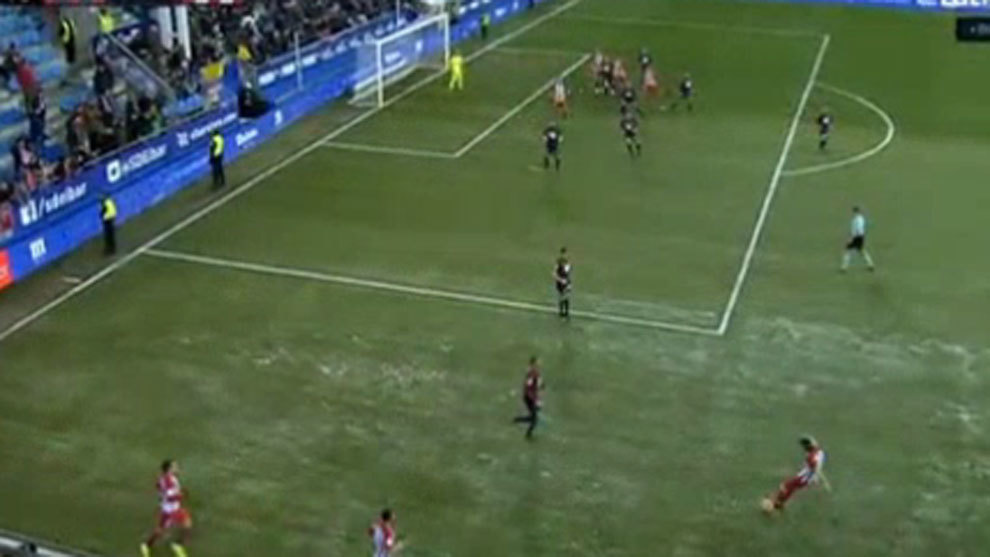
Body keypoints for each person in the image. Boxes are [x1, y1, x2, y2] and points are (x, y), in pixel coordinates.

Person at [141, 460, 192, 557]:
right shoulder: (169, 481)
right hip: (170, 510)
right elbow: (170, 497)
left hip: (176, 508)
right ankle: (146, 545)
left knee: (187, 524)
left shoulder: (167, 478)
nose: (177, 468)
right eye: (174, 466)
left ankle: (178, 544)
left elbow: (158, 486)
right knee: (160, 530)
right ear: (169, 469)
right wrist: (182, 495)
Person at [765, 436, 827, 512]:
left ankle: (773, 503)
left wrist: (814, 468)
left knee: (785, 485)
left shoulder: (810, 456)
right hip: (808, 477)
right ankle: (781, 503)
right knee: (792, 488)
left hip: (804, 477)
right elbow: (821, 459)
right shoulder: (820, 452)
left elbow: (813, 465)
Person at [512, 356, 544, 439]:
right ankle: (528, 435)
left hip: (532, 397)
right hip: (529, 397)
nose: (539, 364)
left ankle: (516, 420)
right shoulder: (532, 373)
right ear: (533, 364)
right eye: (538, 362)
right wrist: (534, 399)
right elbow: (528, 385)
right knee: (534, 419)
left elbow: (538, 385)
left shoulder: (535, 373)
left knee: (533, 418)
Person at [841, 206, 874, 272]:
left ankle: (844, 267)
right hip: (860, 237)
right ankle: (870, 265)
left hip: (857, 237)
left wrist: (851, 238)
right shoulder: (859, 218)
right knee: (862, 251)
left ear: (856, 212)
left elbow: (858, 229)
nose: (853, 213)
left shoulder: (858, 219)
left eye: (854, 212)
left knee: (848, 251)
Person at [553, 247, 571, 318]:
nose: (565, 255)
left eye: (566, 254)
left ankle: (566, 313)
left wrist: (568, 282)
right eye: (563, 254)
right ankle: (561, 312)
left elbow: (567, 273)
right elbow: (554, 274)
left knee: (567, 296)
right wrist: (560, 280)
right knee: (561, 296)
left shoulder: (568, 262)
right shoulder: (558, 262)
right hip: (560, 282)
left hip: (566, 281)